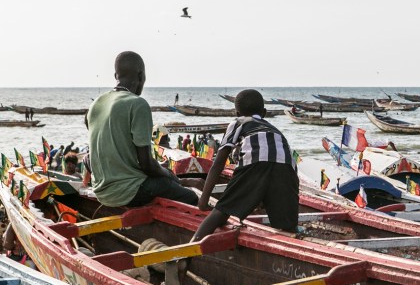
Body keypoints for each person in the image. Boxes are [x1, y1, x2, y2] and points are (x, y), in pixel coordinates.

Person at [87, 51, 197, 208]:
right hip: (128, 193)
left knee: (164, 178)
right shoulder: (137, 104)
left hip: (101, 192)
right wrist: (172, 176)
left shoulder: (96, 103)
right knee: (191, 197)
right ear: (140, 75)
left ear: (115, 75)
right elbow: (146, 165)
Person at [193, 89, 299, 241]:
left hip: (255, 163)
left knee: (222, 211)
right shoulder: (275, 130)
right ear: (264, 112)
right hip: (287, 169)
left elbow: (219, 162)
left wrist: (203, 201)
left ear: (237, 113)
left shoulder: (239, 122)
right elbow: (279, 165)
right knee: (288, 227)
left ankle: (186, 254)